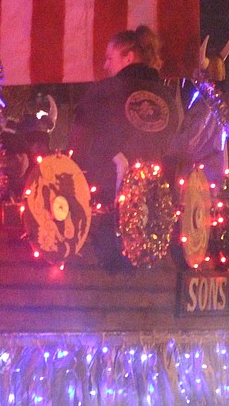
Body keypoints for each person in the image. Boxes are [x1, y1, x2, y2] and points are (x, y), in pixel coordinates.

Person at [69, 26, 182, 265]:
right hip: (160, 229)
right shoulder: (170, 101)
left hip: (105, 231)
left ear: (128, 57)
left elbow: (79, 148)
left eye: (110, 58)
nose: (105, 66)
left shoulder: (103, 94)